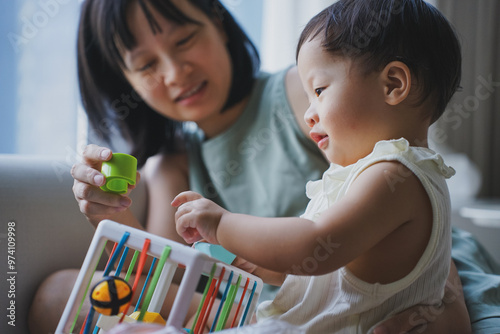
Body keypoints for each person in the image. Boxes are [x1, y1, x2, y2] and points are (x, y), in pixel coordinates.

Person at [26, 0, 496, 333]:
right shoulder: (170, 165)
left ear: (218, 21)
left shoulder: (305, 92)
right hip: (280, 309)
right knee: (56, 296)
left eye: (185, 38)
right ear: (123, 80)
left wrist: (445, 304)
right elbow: (169, 282)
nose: (174, 72)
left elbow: (414, 229)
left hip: (396, 300)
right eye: (145, 65)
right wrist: (110, 216)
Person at [170, 0, 467, 332]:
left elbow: (313, 244)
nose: (309, 112)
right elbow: (327, 268)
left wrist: (223, 224)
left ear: (393, 85)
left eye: (320, 90)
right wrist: (265, 263)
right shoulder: (377, 173)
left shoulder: (395, 173)